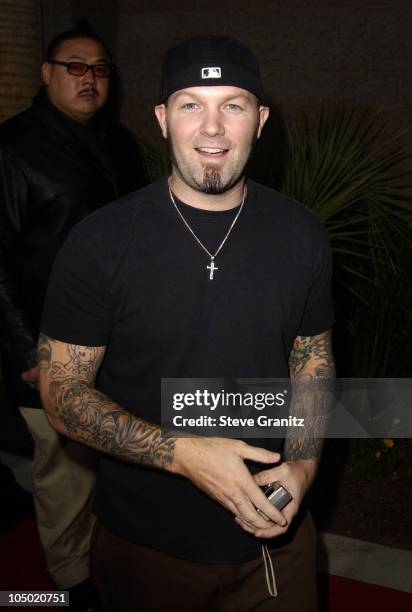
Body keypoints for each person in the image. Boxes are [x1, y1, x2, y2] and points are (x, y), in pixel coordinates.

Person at [39, 36, 335, 612]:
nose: (213, 129)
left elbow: (313, 359)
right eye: (191, 104)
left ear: (261, 119)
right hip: (145, 548)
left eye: (233, 105)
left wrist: (302, 464)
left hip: (274, 542)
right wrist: (182, 453)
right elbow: (62, 394)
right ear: (162, 119)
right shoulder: (101, 242)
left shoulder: (302, 234)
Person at [0, 28, 146, 608]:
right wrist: (26, 351)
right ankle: (70, 585)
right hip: (46, 345)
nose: (89, 78)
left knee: (113, 462)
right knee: (65, 472)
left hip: (121, 339)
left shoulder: (123, 143)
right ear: (45, 72)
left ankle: (107, 561)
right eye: (75, 66)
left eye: (101, 69)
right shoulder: (11, 149)